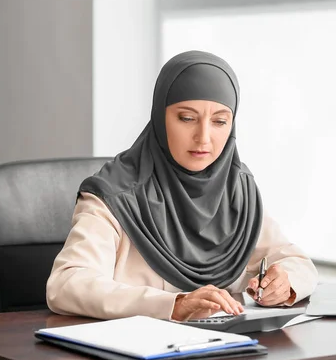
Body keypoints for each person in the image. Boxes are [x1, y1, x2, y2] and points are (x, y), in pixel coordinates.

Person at [46, 50, 318, 322]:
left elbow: (296, 262)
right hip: (136, 355)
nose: (204, 137)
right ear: (160, 118)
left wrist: (283, 283)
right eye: (187, 119)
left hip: (227, 354)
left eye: (220, 121)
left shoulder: (237, 189)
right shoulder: (115, 194)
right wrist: (172, 305)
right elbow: (67, 284)